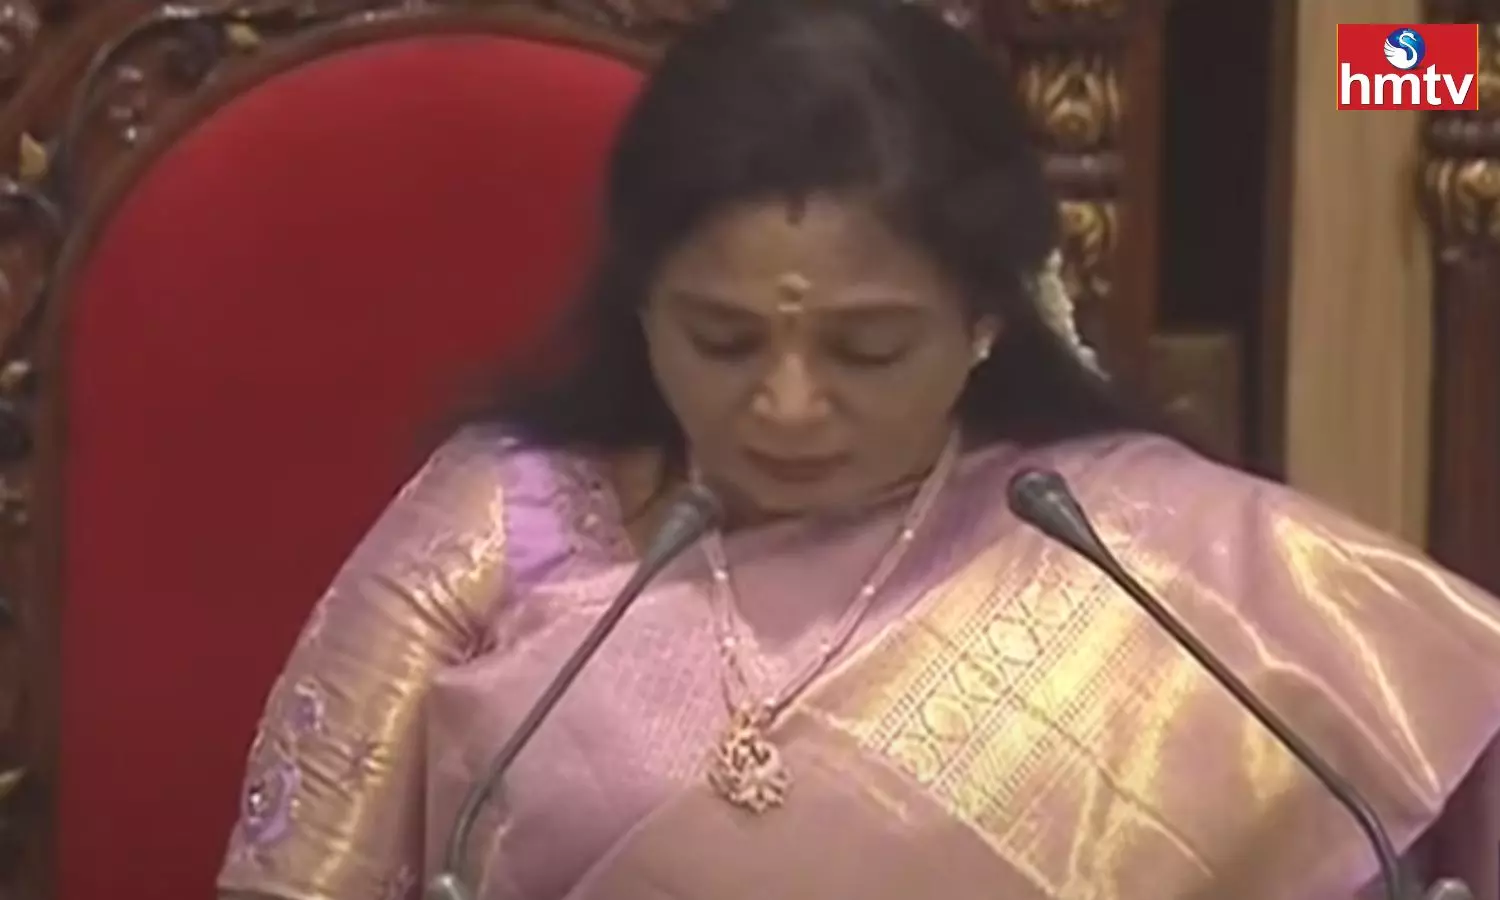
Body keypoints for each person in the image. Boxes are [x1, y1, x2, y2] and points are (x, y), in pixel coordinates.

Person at [216, 1, 1500, 898]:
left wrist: (1429, 64)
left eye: (868, 350)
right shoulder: (510, 520)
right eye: (722, 341)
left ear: (985, 318)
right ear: (641, 307)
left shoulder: (1147, 560)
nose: (786, 405)